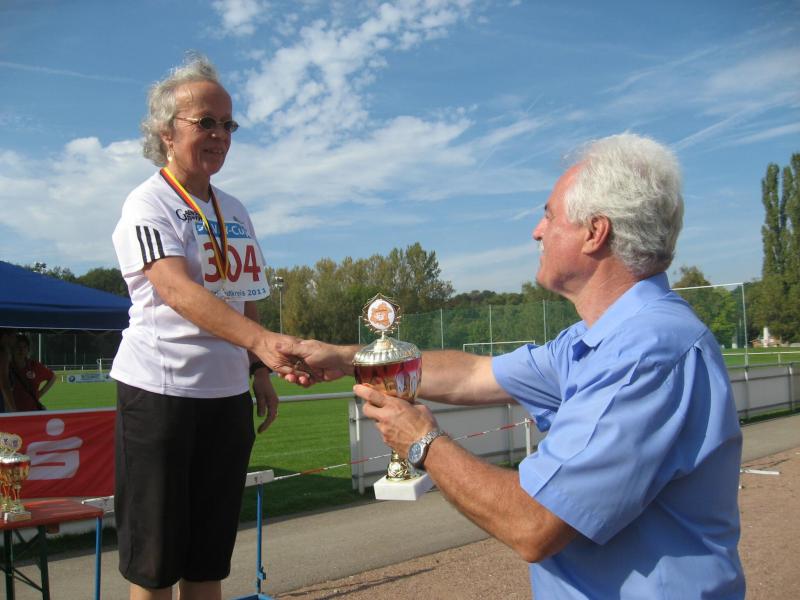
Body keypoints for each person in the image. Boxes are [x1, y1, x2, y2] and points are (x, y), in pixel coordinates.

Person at [284, 133, 746, 598]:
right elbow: (473, 375)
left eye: (549, 215)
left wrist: (423, 442)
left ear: (595, 232)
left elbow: (534, 523)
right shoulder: (595, 340)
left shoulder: (645, 352)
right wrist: (351, 358)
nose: (537, 232)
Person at [110, 53, 305, 600]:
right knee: (155, 565)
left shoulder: (234, 208)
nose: (220, 135)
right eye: (206, 122)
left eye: (228, 124)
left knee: (207, 561)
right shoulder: (146, 203)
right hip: (161, 395)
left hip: (226, 397)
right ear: (166, 132)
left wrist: (258, 368)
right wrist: (263, 343)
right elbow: (176, 290)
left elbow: (245, 293)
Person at [8, 334, 55, 411]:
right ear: (12, 349)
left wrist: (39, 394)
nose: (21, 350)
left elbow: (52, 377)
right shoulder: (5, 367)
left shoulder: (34, 366)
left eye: (24, 347)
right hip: (11, 413)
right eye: (18, 346)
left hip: (32, 412)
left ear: (28, 349)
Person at [0, 328, 16, 412]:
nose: (15, 340)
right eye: (13, 336)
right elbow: (4, 383)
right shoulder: (3, 353)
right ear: (5, 336)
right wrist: (13, 409)